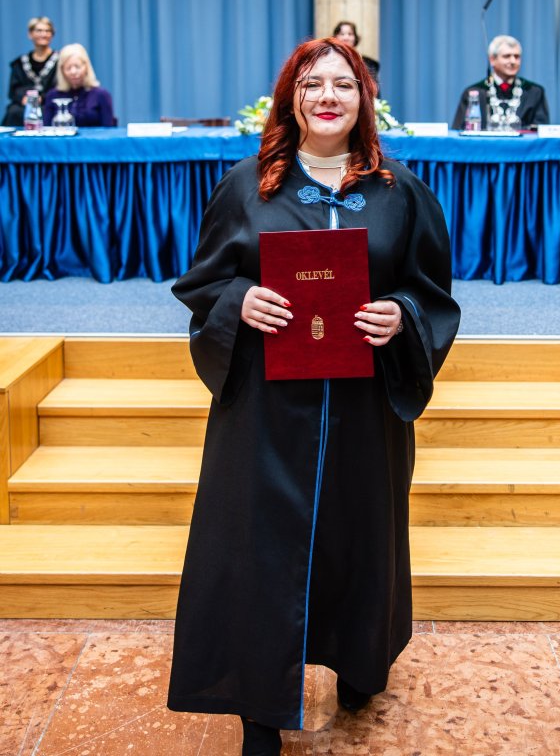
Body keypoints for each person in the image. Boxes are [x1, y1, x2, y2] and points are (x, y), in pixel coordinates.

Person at [167, 37, 460, 755]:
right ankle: (258, 706)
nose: (328, 96)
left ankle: (358, 661)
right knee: (259, 547)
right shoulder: (247, 187)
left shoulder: (400, 192)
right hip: (266, 409)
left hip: (364, 407)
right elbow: (203, 283)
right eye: (312, 85)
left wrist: (402, 315)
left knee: (359, 537)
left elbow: (431, 293)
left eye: (343, 85)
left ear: (364, 99)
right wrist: (239, 301)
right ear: (290, 99)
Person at [451, 35, 550, 130]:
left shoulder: (534, 92)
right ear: (492, 59)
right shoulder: (474, 93)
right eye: (507, 56)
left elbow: (540, 131)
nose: (513, 61)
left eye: (517, 56)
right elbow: (459, 130)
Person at [2, 16, 59, 127]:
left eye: (47, 31)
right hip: (23, 106)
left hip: (49, 104)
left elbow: (62, 87)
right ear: (30, 34)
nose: (43, 34)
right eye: (39, 31)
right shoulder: (20, 63)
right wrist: (24, 98)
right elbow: (14, 89)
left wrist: (43, 97)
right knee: (14, 111)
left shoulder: (60, 61)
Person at [42, 43, 115, 127]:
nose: (73, 72)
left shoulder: (101, 95)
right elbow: (46, 129)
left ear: (86, 67)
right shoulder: (52, 96)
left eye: (77, 67)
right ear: (62, 70)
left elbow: (108, 130)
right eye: (68, 68)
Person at [332, 20, 380, 92]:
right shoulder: (329, 60)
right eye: (342, 34)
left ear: (355, 38)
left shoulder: (368, 63)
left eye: (350, 34)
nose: (346, 37)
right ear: (335, 37)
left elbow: (374, 89)